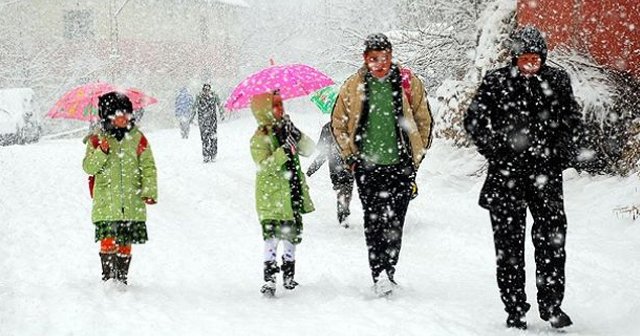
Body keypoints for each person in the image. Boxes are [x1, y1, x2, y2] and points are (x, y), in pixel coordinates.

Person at [463, 25, 582, 330]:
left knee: (552, 243)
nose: (530, 64)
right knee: (509, 248)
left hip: (546, 177)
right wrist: (495, 150)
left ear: (543, 57)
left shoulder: (557, 81)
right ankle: (515, 307)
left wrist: (561, 152)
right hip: (506, 178)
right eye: (524, 58)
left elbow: (573, 119)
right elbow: (474, 119)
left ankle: (552, 306)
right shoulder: (496, 81)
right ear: (514, 57)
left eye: (536, 58)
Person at [331, 33, 433, 296]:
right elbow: (338, 123)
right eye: (374, 58)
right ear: (365, 59)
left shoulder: (407, 82)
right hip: (367, 167)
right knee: (374, 221)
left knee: (396, 221)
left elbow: (423, 118)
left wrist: (416, 155)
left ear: (391, 56)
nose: (380, 63)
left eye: (384, 57)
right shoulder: (353, 86)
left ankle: (390, 269)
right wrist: (350, 155)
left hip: (400, 165)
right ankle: (379, 273)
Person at [82, 91, 158, 286]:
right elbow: (89, 167)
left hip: (131, 200)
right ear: (107, 116)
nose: (123, 118)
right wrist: (102, 151)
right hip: (107, 201)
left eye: (126, 113)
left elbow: (148, 166)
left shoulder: (137, 138)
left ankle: (121, 277)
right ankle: (108, 277)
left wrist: (149, 191)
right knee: (108, 238)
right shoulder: (97, 140)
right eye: (118, 114)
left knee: (125, 240)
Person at [249, 91, 315, 297]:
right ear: (265, 111)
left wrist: (296, 134)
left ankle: (289, 275)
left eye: (281, 104)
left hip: (292, 191)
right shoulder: (259, 138)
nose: (281, 108)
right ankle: (269, 278)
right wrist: (283, 152)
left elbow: (309, 149)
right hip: (273, 196)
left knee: (291, 235)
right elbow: (264, 165)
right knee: (272, 237)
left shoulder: (287, 130)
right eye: (275, 105)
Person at [306, 121, 354, 228]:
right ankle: (343, 212)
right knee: (346, 189)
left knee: (342, 189)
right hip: (347, 165)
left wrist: (312, 169)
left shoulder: (328, 127)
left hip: (336, 167)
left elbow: (323, 153)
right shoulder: (351, 124)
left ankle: (343, 211)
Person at [193, 83, 222, 162]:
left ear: (210, 90)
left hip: (210, 120)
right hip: (204, 120)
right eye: (205, 90)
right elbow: (194, 107)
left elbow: (220, 105)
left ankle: (213, 154)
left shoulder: (213, 96)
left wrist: (222, 113)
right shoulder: (199, 97)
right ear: (203, 90)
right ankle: (206, 154)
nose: (206, 92)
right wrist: (191, 117)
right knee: (205, 138)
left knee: (212, 137)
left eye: (208, 90)